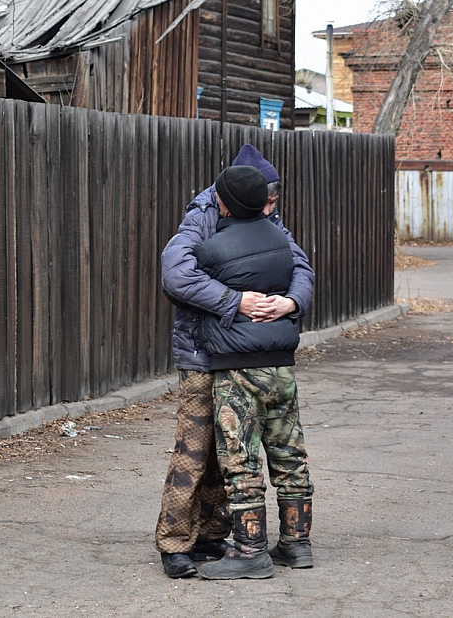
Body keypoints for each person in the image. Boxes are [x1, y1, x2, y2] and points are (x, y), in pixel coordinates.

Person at [155, 145, 315, 578]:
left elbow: (299, 265)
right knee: (195, 447)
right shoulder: (203, 215)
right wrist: (235, 300)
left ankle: (212, 533)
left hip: (244, 354)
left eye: (275, 201)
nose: (270, 208)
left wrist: (289, 302)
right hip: (202, 353)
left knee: (230, 451)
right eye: (266, 199)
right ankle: (175, 544)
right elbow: (176, 274)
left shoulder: (263, 217)